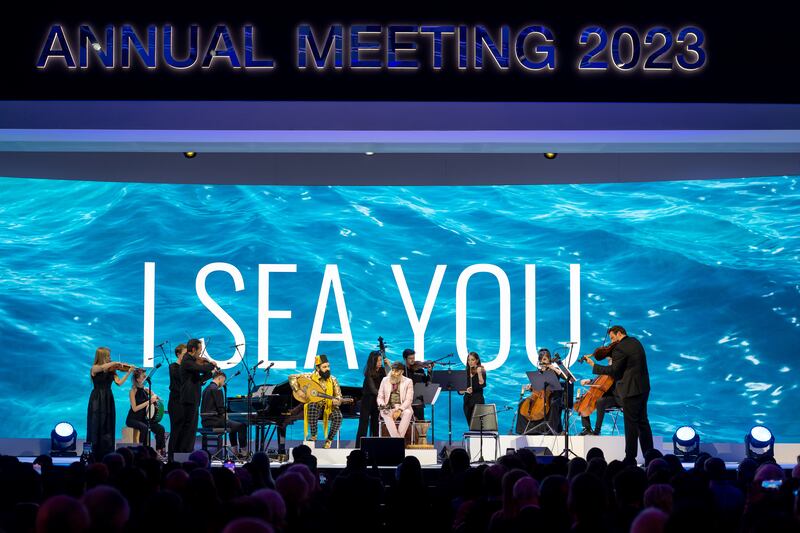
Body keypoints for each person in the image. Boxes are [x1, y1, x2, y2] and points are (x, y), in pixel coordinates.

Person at [585, 325, 653, 463]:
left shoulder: (620, 348)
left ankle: (630, 458)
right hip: (643, 388)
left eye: (612, 337)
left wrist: (594, 365)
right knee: (643, 422)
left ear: (619, 333)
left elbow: (614, 371)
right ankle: (650, 456)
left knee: (631, 425)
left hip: (630, 390)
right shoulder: (635, 342)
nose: (611, 342)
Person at [288, 354, 344, 449]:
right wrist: (298, 390)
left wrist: (338, 401)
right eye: (324, 367)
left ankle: (329, 440)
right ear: (318, 368)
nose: (328, 369)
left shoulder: (333, 379)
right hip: (315, 406)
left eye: (328, 366)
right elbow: (291, 377)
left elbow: (339, 396)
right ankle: (314, 435)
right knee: (312, 406)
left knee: (339, 416)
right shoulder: (309, 376)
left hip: (329, 406)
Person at [88, 347, 133, 460]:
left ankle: (107, 453)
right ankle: (94, 454)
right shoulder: (94, 368)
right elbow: (102, 367)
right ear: (102, 356)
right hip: (97, 398)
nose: (110, 358)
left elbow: (119, 383)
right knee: (96, 424)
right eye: (107, 356)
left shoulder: (112, 370)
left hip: (108, 398)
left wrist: (128, 372)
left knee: (108, 424)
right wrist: (115, 363)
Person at [174, 339, 217, 452]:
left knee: (192, 428)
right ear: (193, 349)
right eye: (200, 350)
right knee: (188, 427)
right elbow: (200, 368)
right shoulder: (187, 361)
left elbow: (198, 379)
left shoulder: (192, 361)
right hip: (189, 399)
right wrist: (211, 365)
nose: (200, 353)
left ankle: (187, 451)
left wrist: (210, 374)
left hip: (193, 398)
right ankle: (183, 452)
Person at [201, 371, 248, 457]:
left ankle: (235, 452)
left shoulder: (206, 389)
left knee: (233, 426)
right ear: (220, 378)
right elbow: (220, 409)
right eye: (223, 381)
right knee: (242, 426)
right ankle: (244, 453)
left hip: (205, 421)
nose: (223, 383)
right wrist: (226, 416)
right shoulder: (217, 389)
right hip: (215, 421)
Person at [578, 348, 622, 435]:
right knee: (583, 398)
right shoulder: (608, 366)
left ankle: (597, 431)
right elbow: (602, 380)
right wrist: (590, 381)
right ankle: (587, 428)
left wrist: (592, 364)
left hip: (616, 396)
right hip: (605, 393)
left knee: (600, 402)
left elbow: (609, 381)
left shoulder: (617, 367)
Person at [125, 368, 167, 456]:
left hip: (144, 419)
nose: (146, 377)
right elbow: (135, 408)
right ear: (138, 379)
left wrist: (154, 395)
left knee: (160, 428)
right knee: (144, 427)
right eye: (143, 376)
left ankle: (159, 451)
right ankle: (142, 451)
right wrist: (149, 401)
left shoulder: (146, 389)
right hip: (133, 419)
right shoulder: (132, 391)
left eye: (146, 376)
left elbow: (160, 400)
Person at [522, 348, 564, 434]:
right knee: (522, 404)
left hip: (554, 395)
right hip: (541, 396)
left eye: (544, 359)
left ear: (549, 359)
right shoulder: (539, 371)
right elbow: (538, 387)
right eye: (541, 359)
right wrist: (530, 387)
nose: (542, 361)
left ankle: (551, 430)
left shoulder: (554, 370)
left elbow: (566, 378)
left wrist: (554, 368)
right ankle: (526, 430)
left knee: (553, 403)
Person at [356, 350, 390, 446]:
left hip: (377, 402)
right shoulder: (369, 373)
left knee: (376, 425)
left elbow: (390, 379)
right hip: (367, 402)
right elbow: (373, 389)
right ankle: (358, 447)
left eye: (380, 360)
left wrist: (389, 366)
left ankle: (374, 447)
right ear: (373, 361)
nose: (380, 363)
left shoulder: (383, 370)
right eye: (378, 361)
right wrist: (384, 396)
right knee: (363, 426)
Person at [377, 363, 414, 439]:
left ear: (402, 372)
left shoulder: (408, 381)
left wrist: (400, 410)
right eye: (393, 370)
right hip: (388, 406)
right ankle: (398, 440)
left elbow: (409, 399)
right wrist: (383, 405)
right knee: (385, 412)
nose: (393, 373)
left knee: (408, 412)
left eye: (396, 371)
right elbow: (380, 397)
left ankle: (396, 440)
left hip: (402, 406)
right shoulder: (385, 380)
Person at [402, 348, 432, 420]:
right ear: (405, 358)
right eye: (410, 358)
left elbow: (427, 383)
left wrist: (429, 372)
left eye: (414, 358)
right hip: (406, 402)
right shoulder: (402, 370)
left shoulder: (420, 370)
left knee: (420, 424)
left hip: (418, 402)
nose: (413, 360)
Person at [167, 343, 186, 454]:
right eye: (184, 354)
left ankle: (179, 455)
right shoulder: (173, 367)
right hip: (175, 402)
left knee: (183, 431)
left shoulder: (185, 368)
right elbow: (179, 379)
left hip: (183, 402)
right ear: (178, 354)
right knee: (176, 430)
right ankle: (171, 457)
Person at [462, 351, 486, 425]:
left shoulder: (482, 371)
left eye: (472, 360)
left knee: (478, 426)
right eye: (469, 360)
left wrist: (479, 373)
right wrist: (466, 390)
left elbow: (482, 384)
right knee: (471, 426)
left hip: (478, 401)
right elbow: (460, 391)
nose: (470, 362)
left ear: (477, 360)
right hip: (467, 402)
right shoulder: (465, 372)